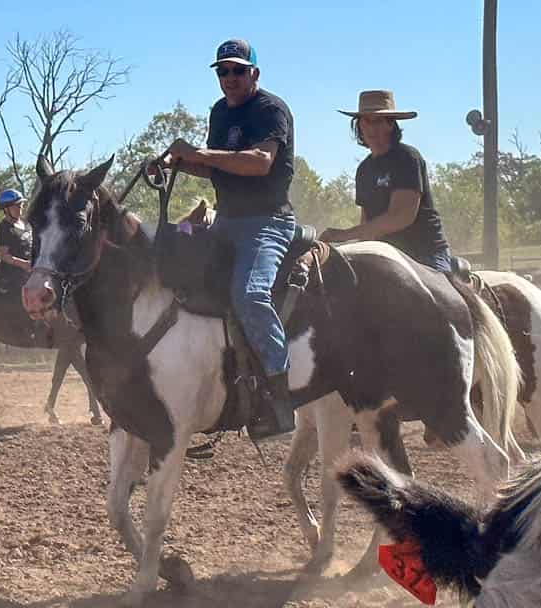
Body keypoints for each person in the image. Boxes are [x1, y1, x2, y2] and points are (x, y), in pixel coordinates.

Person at [166, 38, 297, 438]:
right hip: (225, 222)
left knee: (250, 295)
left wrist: (201, 154)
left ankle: (279, 398)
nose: (230, 78)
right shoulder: (220, 112)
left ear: (254, 73)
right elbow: (219, 170)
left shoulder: (270, 110)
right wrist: (177, 165)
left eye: (238, 70)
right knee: (180, 277)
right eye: (223, 71)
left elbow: (259, 164)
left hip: (267, 223)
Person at [319, 91, 452, 273]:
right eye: (366, 120)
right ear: (359, 125)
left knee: (440, 299)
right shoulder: (364, 170)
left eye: (378, 121)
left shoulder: (407, 158)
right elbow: (367, 221)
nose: (372, 128)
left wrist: (344, 235)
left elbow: (401, 216)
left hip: (425, 254)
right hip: (386, 257)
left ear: (390, 124)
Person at [0, 189, 33, 293]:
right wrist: (24, 264)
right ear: (6, 209)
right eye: (16, 205)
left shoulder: (26, 224)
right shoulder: (4, 228)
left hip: (31, 270)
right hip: (13, 275)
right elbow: (4, 256)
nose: (20, 208)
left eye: (21, 205)